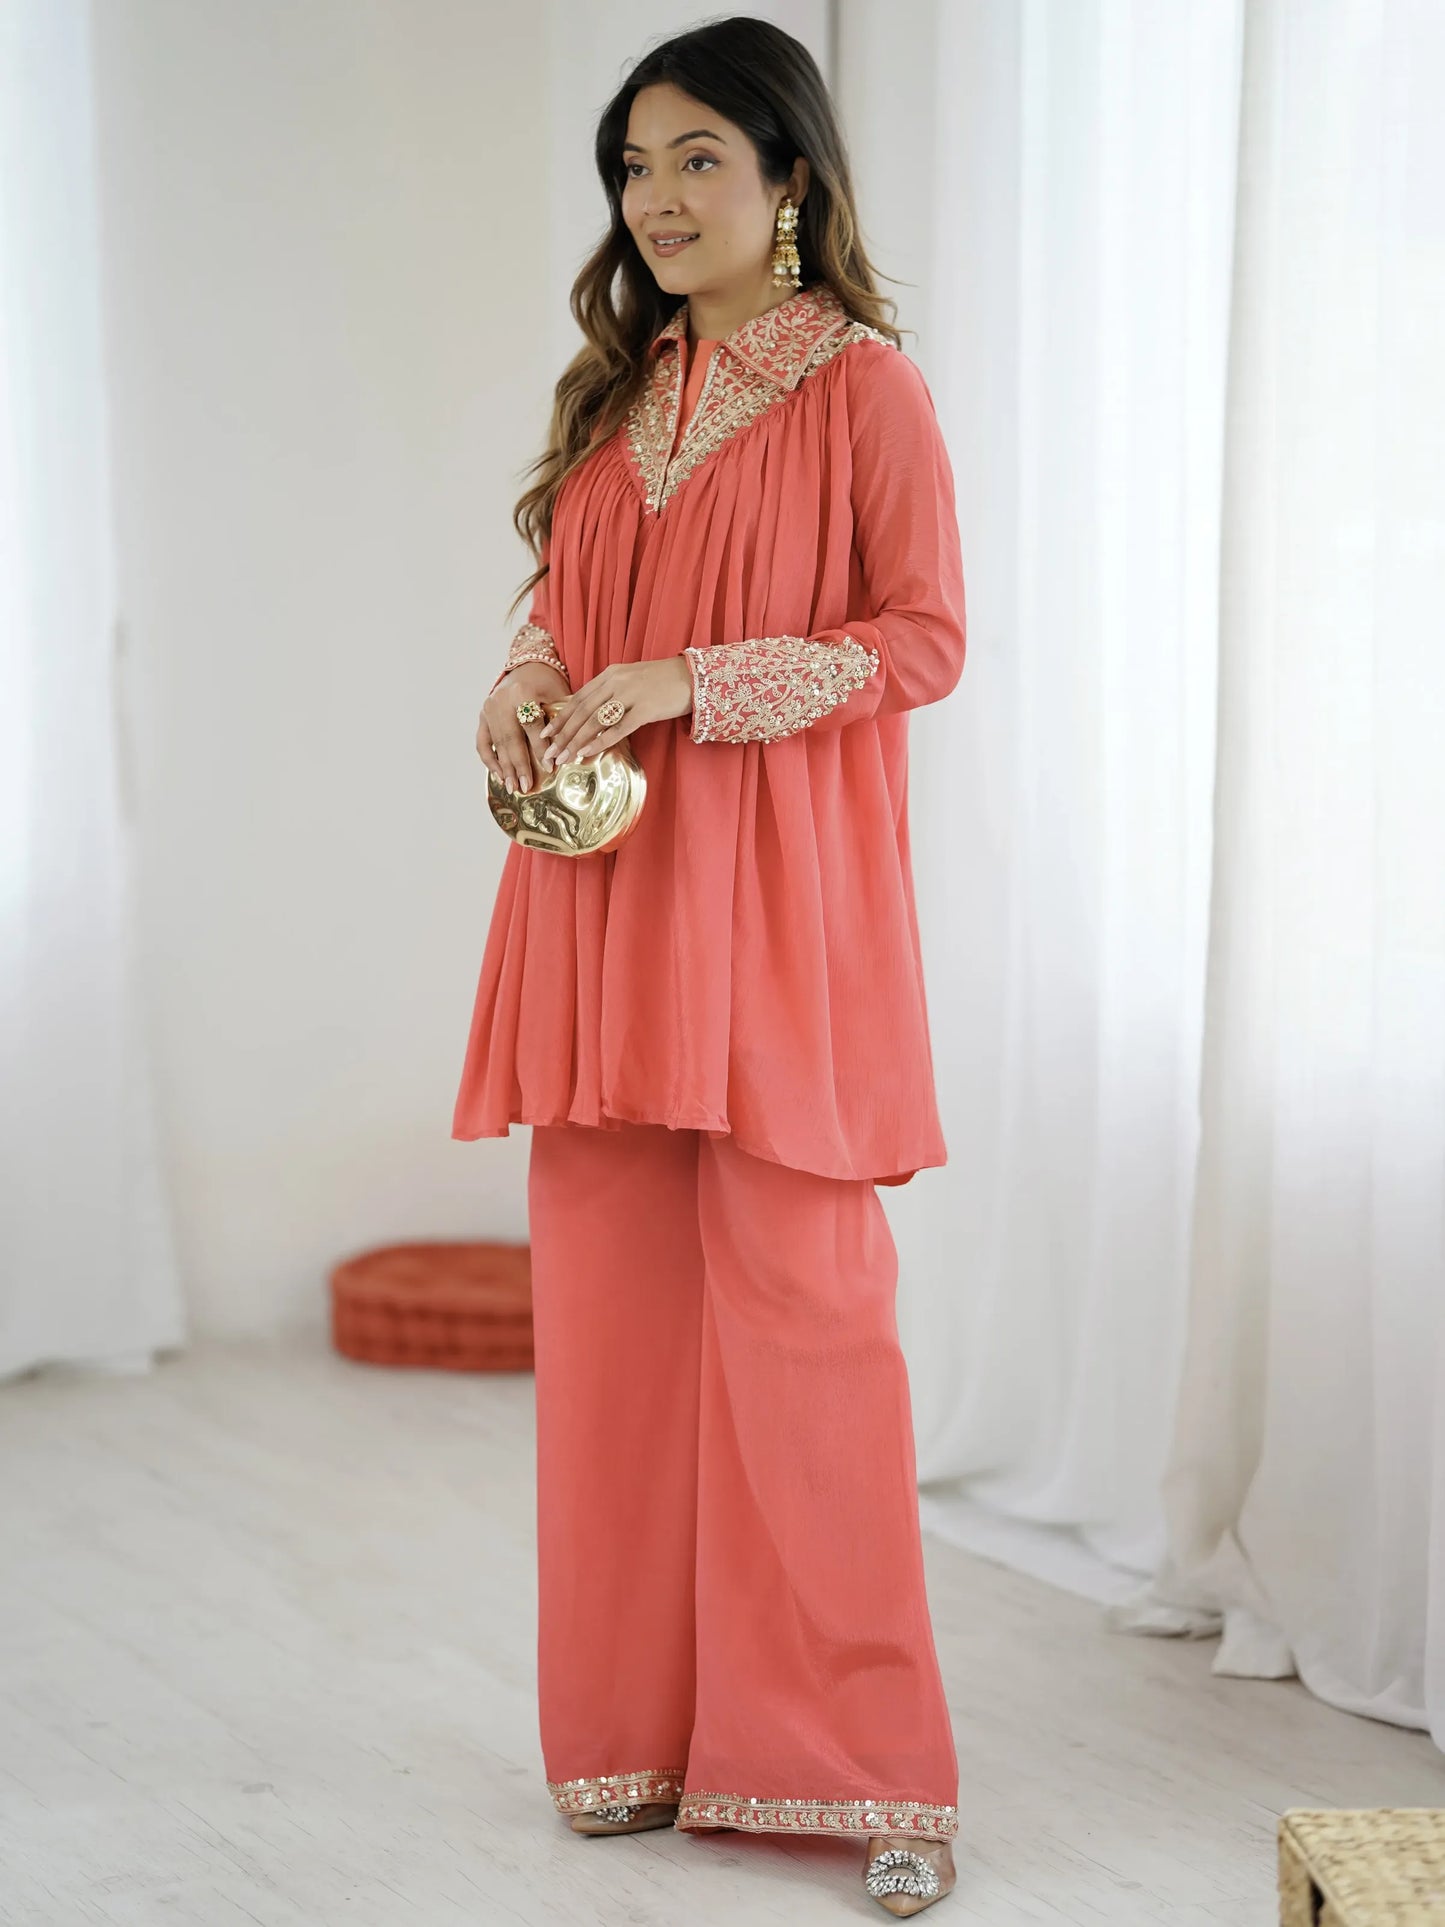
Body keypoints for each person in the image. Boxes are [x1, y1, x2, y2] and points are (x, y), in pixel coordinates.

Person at [453, 16, 967, 1918]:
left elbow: (921, 641)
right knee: (607, 1314)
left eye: (694, 163)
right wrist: (522, 683)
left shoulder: (866, 393)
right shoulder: (619, 388)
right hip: (600, 896)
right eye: (632, 168)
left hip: (781, 906)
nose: (656, 201)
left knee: (805, 1319)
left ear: (789, 181)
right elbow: (554, 594)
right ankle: (632, 1728)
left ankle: (859, 1771)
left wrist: (691, 682)